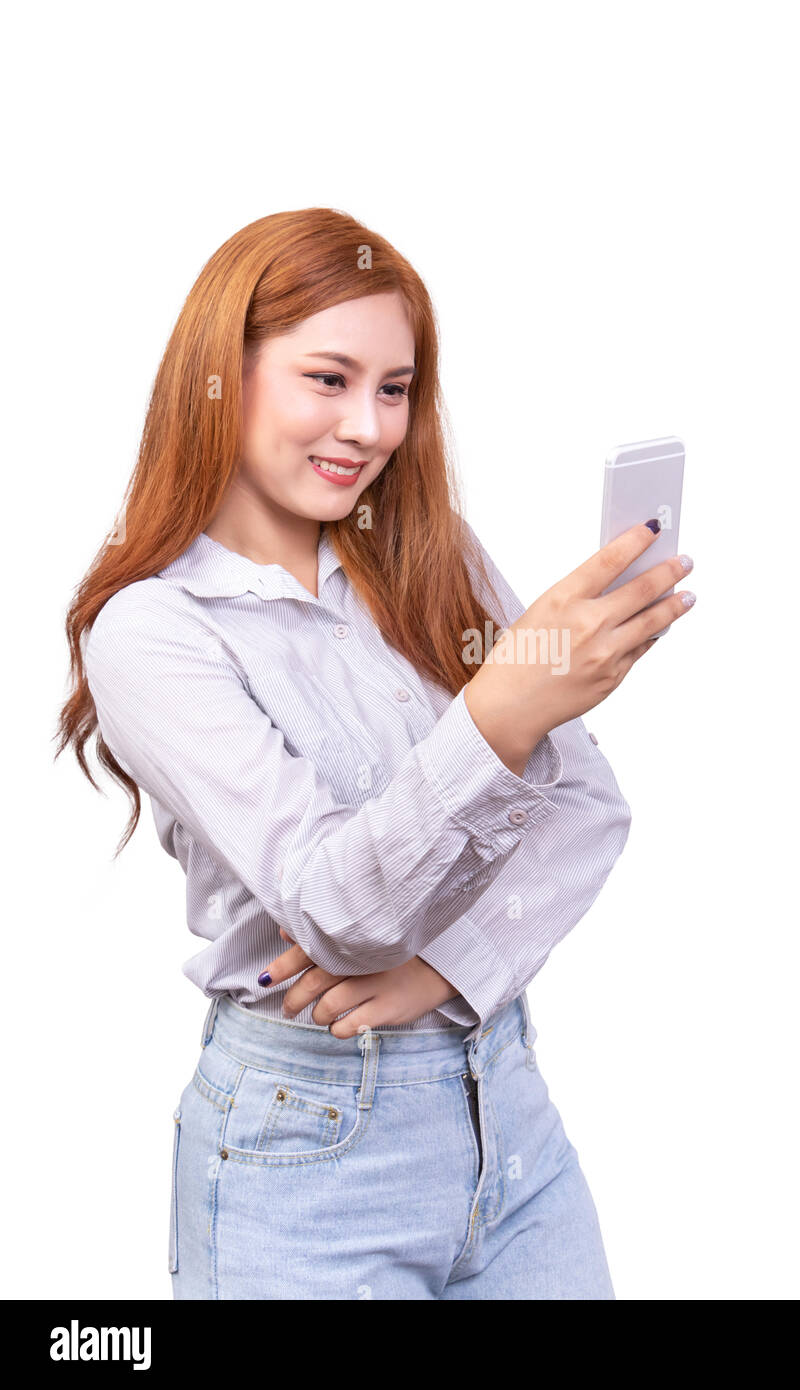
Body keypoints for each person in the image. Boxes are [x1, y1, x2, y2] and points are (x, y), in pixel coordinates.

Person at [57, 207, 697, 1300]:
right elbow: (338, 911)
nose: (367, 425)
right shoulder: (153, 633)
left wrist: (443, 971)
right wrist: (498, 717)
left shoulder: (427, 553)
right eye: (329, 378)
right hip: (304, 1156)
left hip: (508, 1118)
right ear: (226, 374)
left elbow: (589, 804)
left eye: (394, 389)